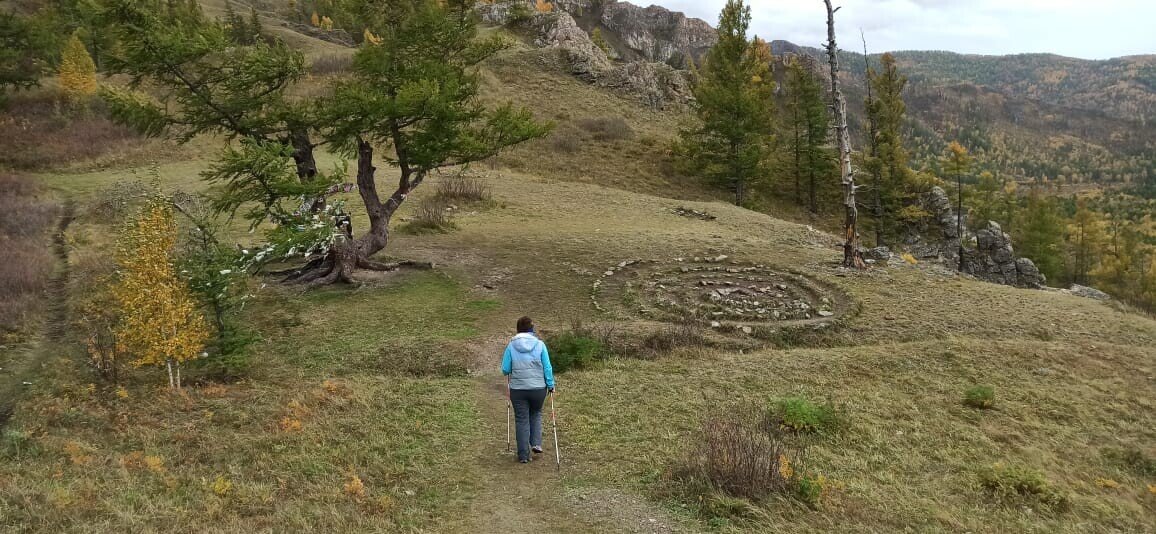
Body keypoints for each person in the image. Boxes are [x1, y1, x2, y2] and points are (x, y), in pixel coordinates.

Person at [501, 316, 555, 463]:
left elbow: (505, 369)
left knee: (521, 419)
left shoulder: (511, 345)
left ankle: (523, 455)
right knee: (536, 413)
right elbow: (547, 367)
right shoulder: (540, 345)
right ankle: (536, 443)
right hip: (538, 388)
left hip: (518, 389)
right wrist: (550, 385)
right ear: (532, 329)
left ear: (518, 329)